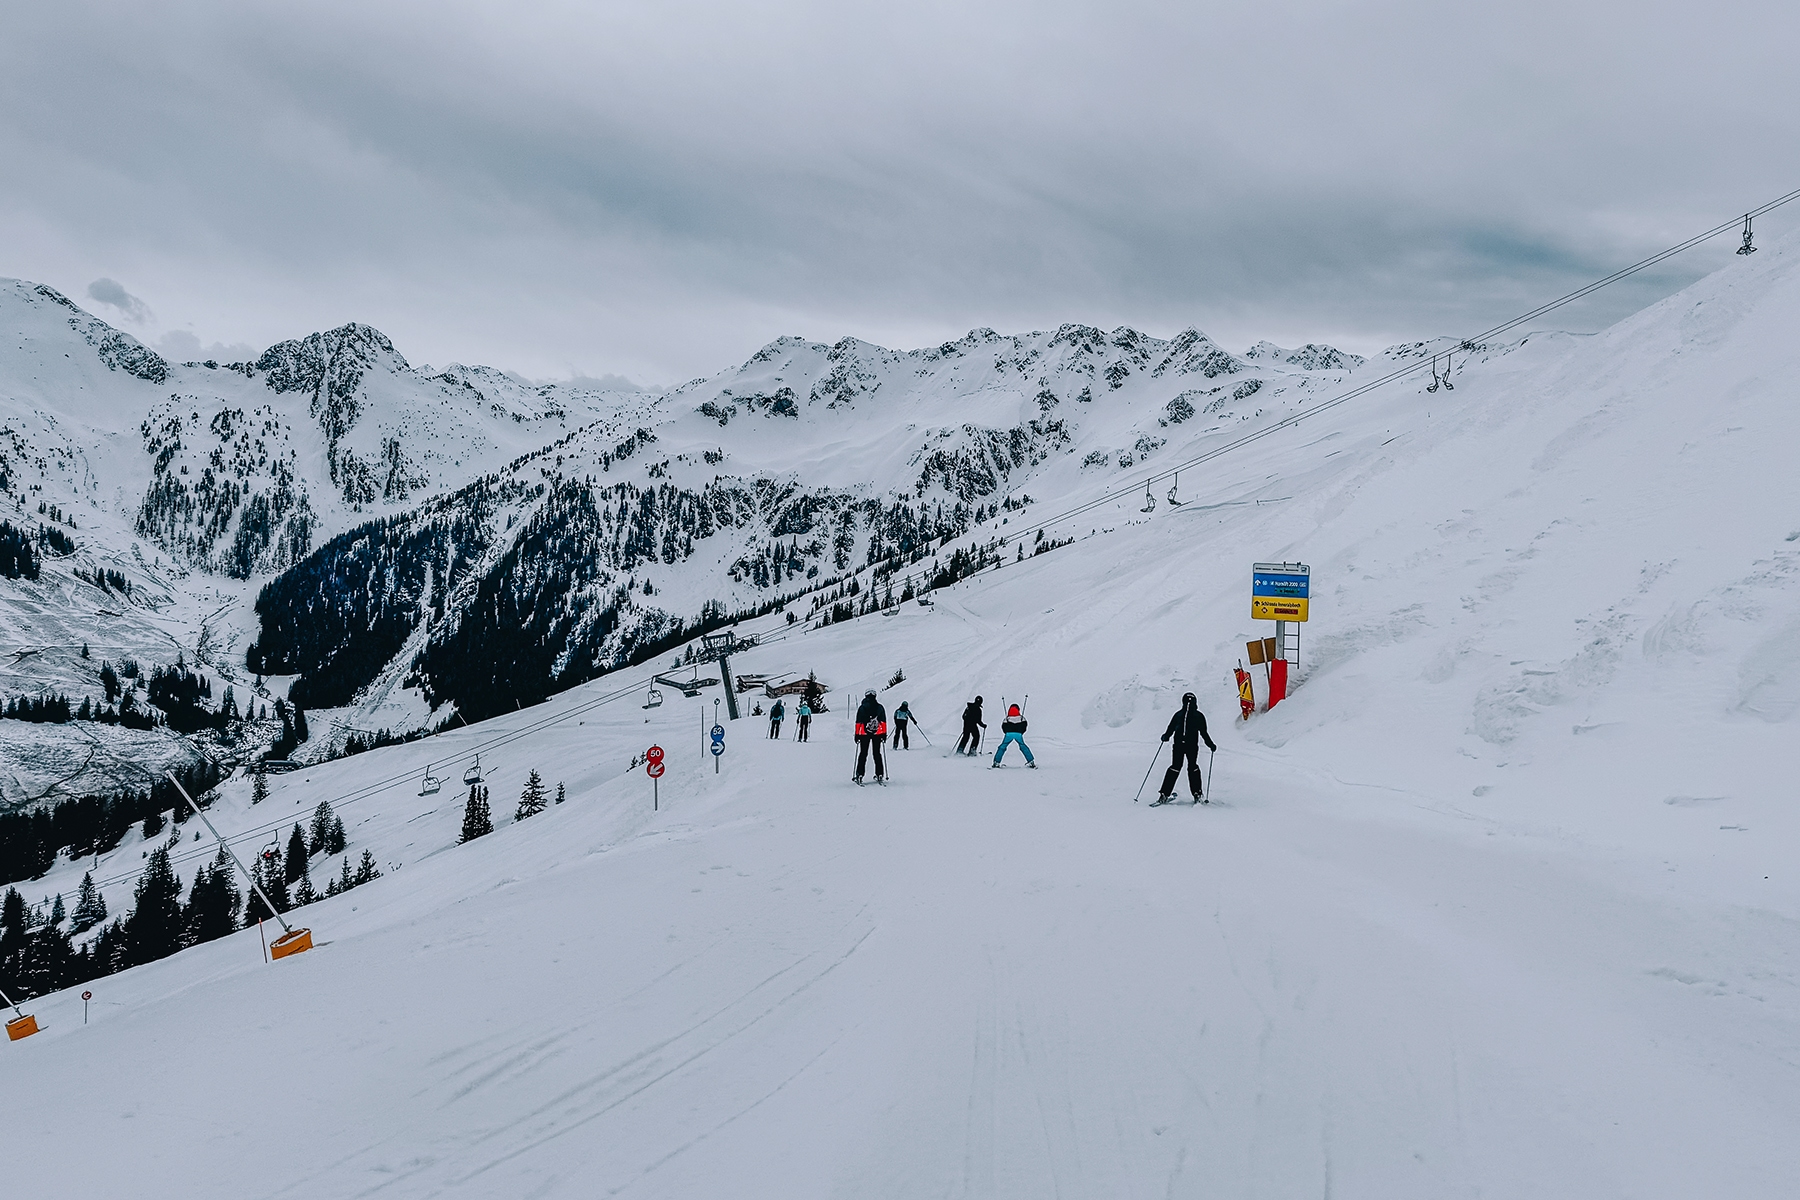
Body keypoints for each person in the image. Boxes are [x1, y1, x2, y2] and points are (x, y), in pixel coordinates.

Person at [1156, 692, 1217, 803]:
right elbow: (1204, 733)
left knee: (1175, 767)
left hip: (1178, 745)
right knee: (1193, 767)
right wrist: (1211, 745)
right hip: (1192, 746)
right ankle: (1197, 794)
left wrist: (1165, 737)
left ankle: (1164, 794)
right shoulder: (1199, 716)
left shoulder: (1178, 715)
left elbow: (1170, 729)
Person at [853, 690, 888, 784]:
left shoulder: (862, 707)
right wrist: (884, 734)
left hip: (864, 734)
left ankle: (859, 774)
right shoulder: (880, 707)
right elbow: (883, 722)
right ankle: (879, 774)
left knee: (863, 754)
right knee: (877, 753)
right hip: (877, 733)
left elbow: (858, 722)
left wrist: (857, 734)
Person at [991, 703, 1036, 768]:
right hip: (1018, 734)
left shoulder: (1007, 718)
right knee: (1023, 746)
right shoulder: (1021, 718)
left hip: (1008, 734)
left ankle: (996, 762)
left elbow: (1003, 727)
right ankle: (1031, 761)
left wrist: (1007, 732)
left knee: (1002, 746)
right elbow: (1025, 726)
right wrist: (1021, 732)